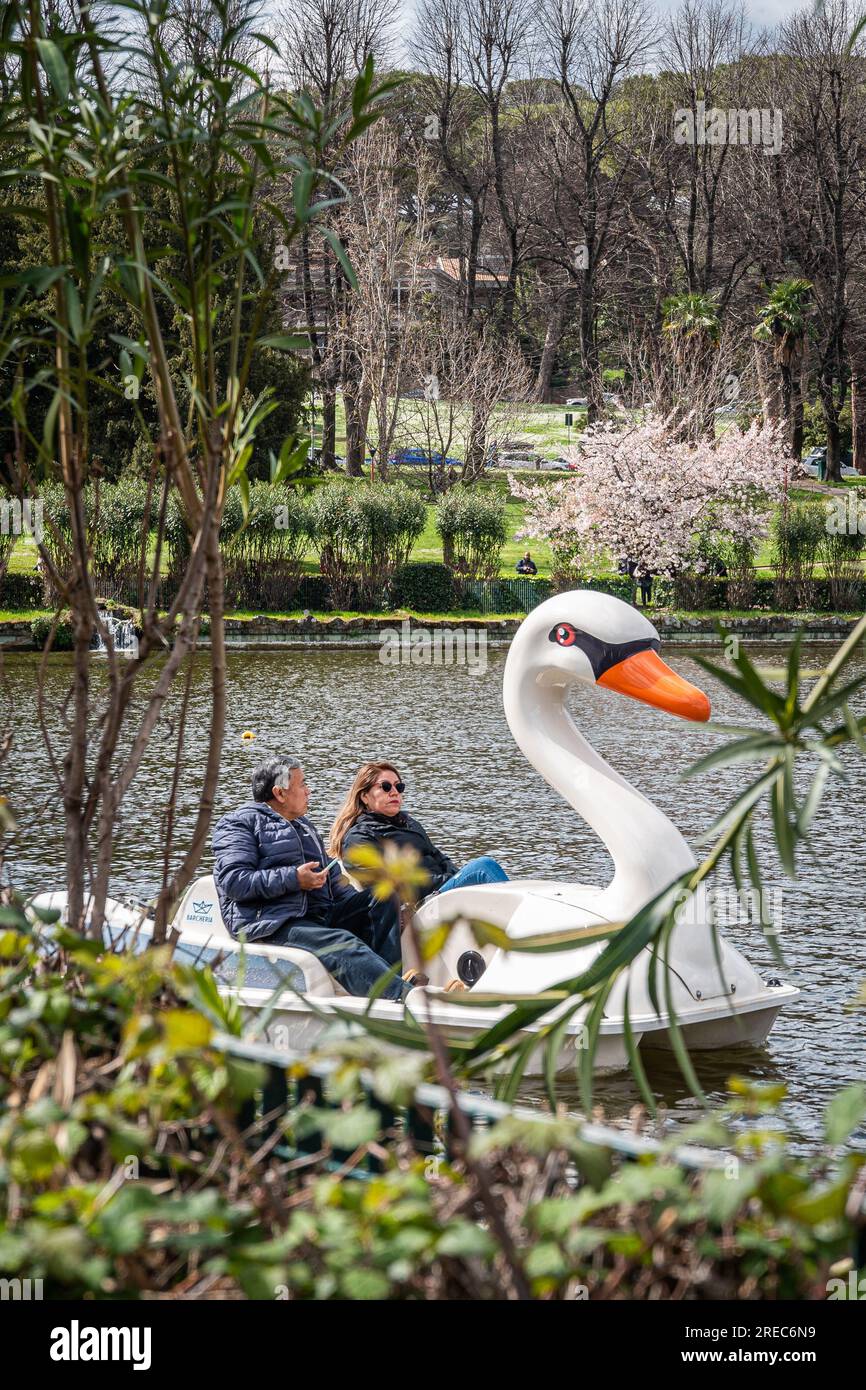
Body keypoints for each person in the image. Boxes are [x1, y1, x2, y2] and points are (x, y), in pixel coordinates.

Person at [212, 756, 411, 1001]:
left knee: (382, 897)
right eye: (303, 785)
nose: (309, 790)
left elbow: (332, 879)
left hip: (315, 915)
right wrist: (294, 879)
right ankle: (401, 996)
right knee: (341, 942)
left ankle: (393, 982)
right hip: (274, 922)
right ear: (280, 793)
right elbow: (235, 882)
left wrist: (361, 905)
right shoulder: (238, 824)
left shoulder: (303, 826)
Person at [330, 761, 508, 898]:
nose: (394, 792)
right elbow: (383, 885)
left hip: (443, 889)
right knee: (483, 867)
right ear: (365, 796)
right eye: (385, 787)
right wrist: (449, 881)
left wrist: (457, 877)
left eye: (399, 787)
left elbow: (438, 856)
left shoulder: (409, 823)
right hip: (422, 902)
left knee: (480, 873)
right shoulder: (359, 837)